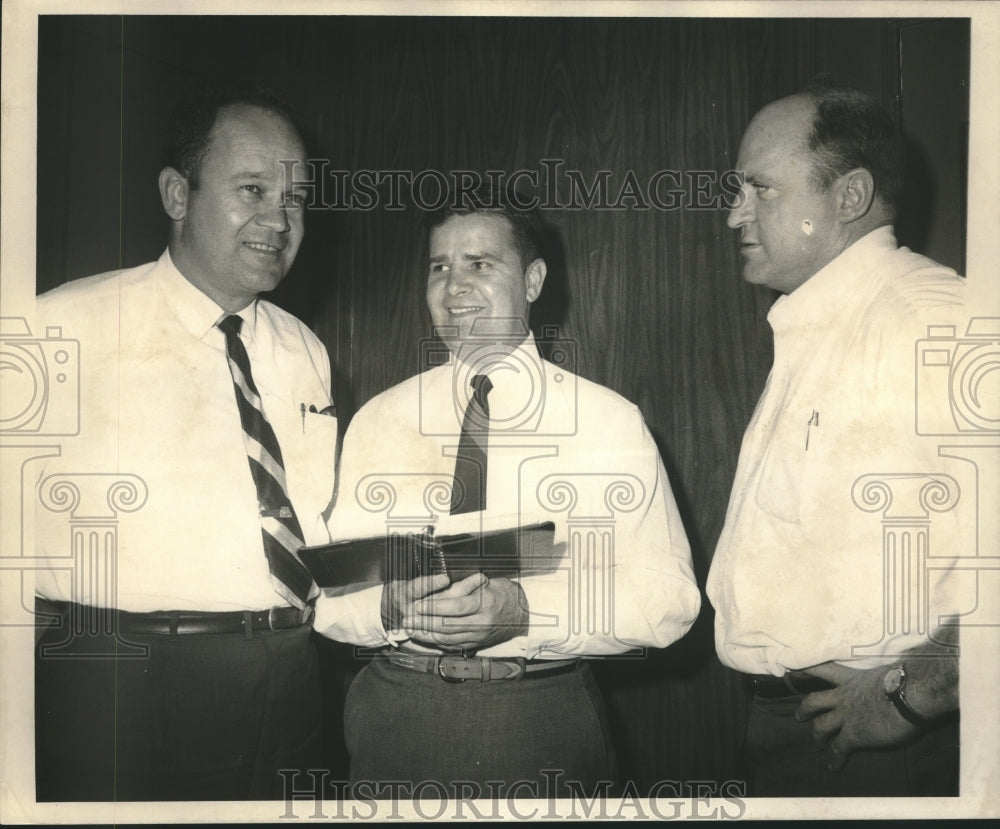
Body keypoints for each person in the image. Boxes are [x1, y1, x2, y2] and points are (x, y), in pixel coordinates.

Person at [314, 192, 700, 799]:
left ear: (534, 280)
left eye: (480, 264)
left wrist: (525, 612)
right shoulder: (378, 420)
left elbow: (669, 600)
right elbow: (327, 598)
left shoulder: (606, 421)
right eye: (439, 267)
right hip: (392, 715)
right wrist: (387, 609)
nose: (454, 286)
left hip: (538, 713)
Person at [32, 83, 338, 801]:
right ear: (177, 194)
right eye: (253, 190)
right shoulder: (63, 327)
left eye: (294, 198)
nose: (279, 219)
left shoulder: (307, 349)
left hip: (294, 672)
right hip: (126, 682)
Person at [707, 86, 971, 796]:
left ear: (849, 195)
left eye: (759, 189)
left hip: (887, 741)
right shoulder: (815, 325)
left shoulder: (934, 317)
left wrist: (919, 688)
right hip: (798, 726)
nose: (735, 213)